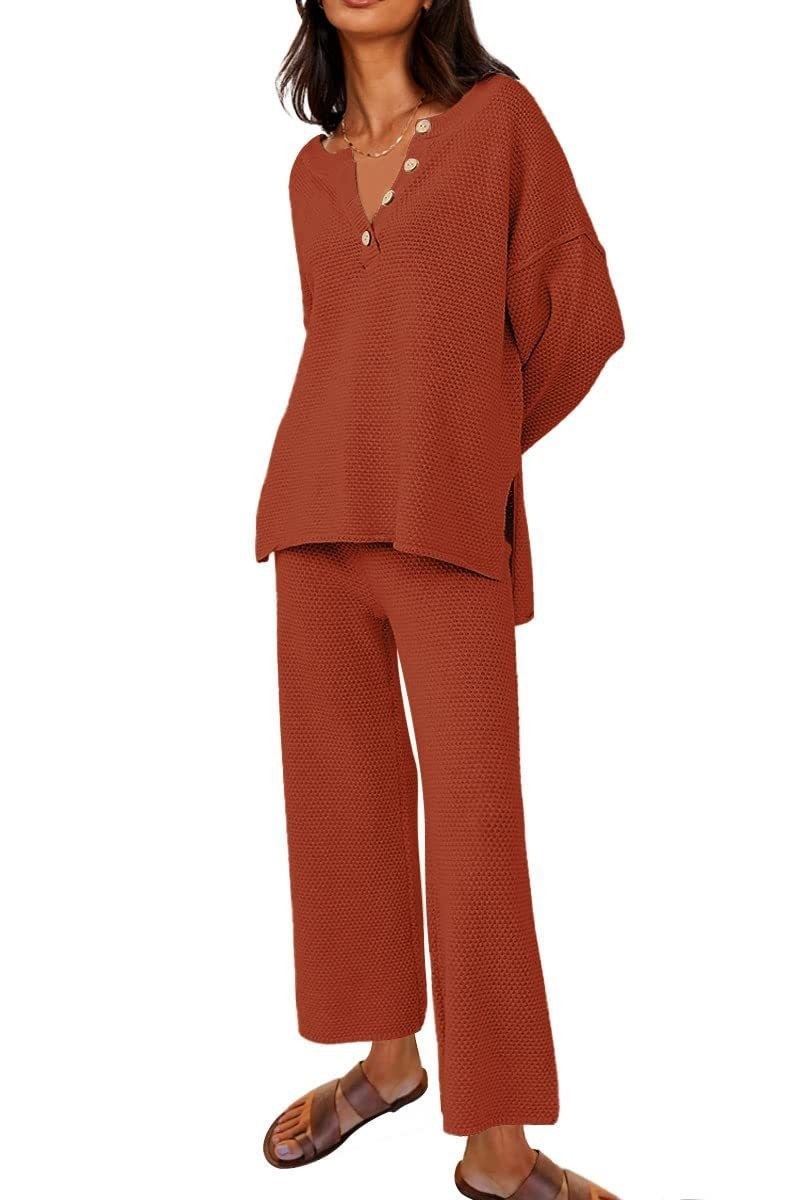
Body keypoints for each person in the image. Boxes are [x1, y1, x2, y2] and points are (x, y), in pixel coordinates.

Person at [256, 2, 625, 1197]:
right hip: (311, 518)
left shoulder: (498, 124)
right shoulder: (309, 176)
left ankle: (498, 1147)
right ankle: (387, 1062)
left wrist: (466, 452)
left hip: (444, 530)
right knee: (343, 810)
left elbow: (579, 317)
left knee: (475, 830)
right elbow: (338, 340)